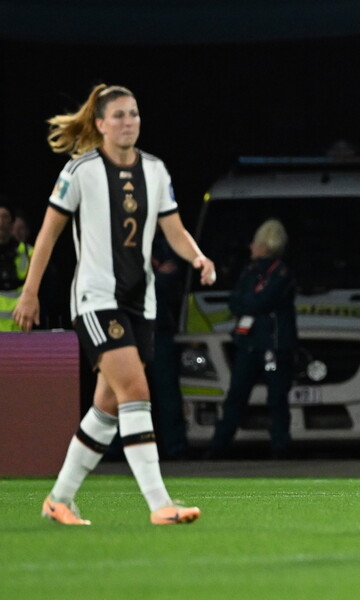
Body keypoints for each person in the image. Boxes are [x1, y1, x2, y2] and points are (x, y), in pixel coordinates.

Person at [14, 83, 215, 525]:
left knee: (106, 407)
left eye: (134, 114)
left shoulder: (156, 171)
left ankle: (59, 500)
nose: (129, 122)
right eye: (119, 115)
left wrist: (197, 255)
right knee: (136, 392)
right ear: (100, 124)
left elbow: (174, 230)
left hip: (139, 304)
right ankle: (160, 504)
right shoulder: (80, 170)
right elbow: (48, 234)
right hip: (95, 299)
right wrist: (30, 292)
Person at [208, 219, 296, 459]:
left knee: (277, 397)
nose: (251, 246)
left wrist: (248, 304)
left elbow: (260, 301)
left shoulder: (281, 272)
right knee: (236, 394)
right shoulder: (249, 270)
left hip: (273, 344)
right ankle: (219, 445)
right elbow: (235, 301)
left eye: (256, 242)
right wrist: (249, 303)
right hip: (248, 343)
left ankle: (280, 446)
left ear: (266, 244)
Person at [149, 232, 188, 459]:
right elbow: (126, 283)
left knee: (168, 392)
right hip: (130, 330)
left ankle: (175, 446)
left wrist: (149, 278)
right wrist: (155, 276)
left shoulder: (165, 245)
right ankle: (117, 448)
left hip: (160, 329)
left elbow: (173, 274)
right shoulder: (122, 240)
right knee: (123, 393)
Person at [0, 200, 33, 331]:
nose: (1, 222)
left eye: (5, 217)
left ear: (12, 223)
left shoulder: (28, 253)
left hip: (19, 330)